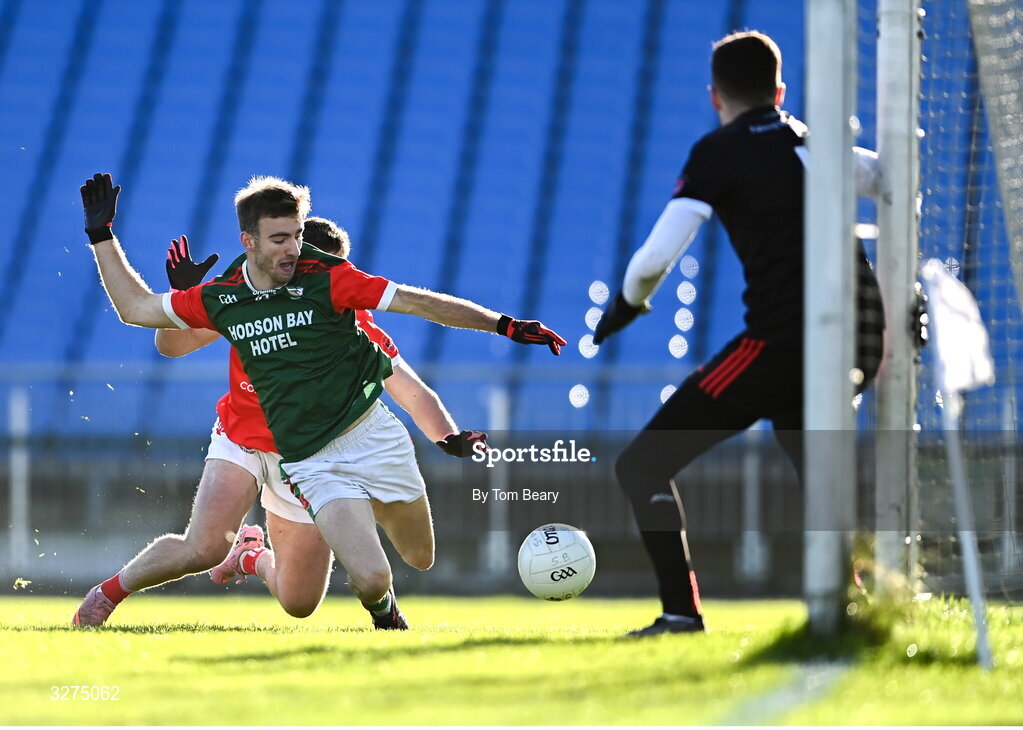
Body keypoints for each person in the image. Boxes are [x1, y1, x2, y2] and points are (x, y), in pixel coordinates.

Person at [78, 173, 565, 629]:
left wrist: (451, 428)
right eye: (284, 241)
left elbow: (413, 385)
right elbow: (162, 337)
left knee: (301, 602)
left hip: (318, 447)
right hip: (255, 442)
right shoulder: (231, 297)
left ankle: (251, 555)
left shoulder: (345, 307)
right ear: (251, 243)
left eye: (300, 243)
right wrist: (112, 243)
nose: (295, 254)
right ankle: (106, 595)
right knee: (201, 548)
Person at [593, 31, 884, 637]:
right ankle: (857, 605)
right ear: (779, 91)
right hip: (853, 337)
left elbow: (654, 258)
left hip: (780, 343)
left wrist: (626, 306)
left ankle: (680, 614)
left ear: (714, 97)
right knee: (817, 470)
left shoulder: (718, 152)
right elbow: (884, 178)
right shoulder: (815, 142)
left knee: (642, 466)